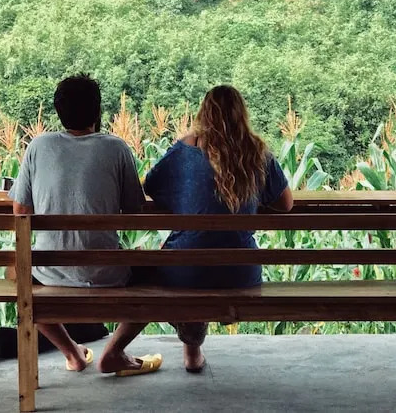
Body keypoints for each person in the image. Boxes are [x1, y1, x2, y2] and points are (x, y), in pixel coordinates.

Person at [98, 85, 294, 374]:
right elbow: (286, 204)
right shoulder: (257, 153)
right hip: (241, 274)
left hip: (186, 273)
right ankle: (192, 354)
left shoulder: (185, 150)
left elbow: (151, 186)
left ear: (204, 114)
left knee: (170, 267)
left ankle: (116, 350)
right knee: (194, 260)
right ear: (242, 115)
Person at [9, 74, 159, 375]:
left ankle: (73, 354)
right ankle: (114, 352)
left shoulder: (38, 146)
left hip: (48, 274)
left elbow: (21, 210)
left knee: (15, 272)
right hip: (108, 274)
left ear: (58, 111)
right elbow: (134, 210)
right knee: (161, 277)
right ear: (97, 110)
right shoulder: (116, 148)